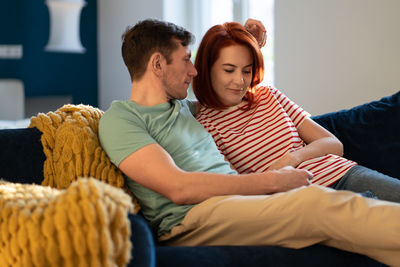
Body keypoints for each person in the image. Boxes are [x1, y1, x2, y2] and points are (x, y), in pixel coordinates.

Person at [99, 18, 400, 266]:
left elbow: (224, 83)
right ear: (157, 64)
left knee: (350, 239)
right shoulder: (122, 119)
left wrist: (249, 39)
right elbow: (179, 188)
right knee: (313, 204)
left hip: (235, 206)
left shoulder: (183, 108)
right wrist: (272, 181)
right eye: (186, 60)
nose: (193, 70)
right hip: (192, 219)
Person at [193, 21, 400, 203]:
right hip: (301, 202)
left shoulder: (268, 95)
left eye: (246, 71)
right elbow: (235, 190)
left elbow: (333, 144)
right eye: (229, 70)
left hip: (344, 174)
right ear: (207, 68)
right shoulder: (204, 126)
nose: (240, 81)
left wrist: (292, 159)